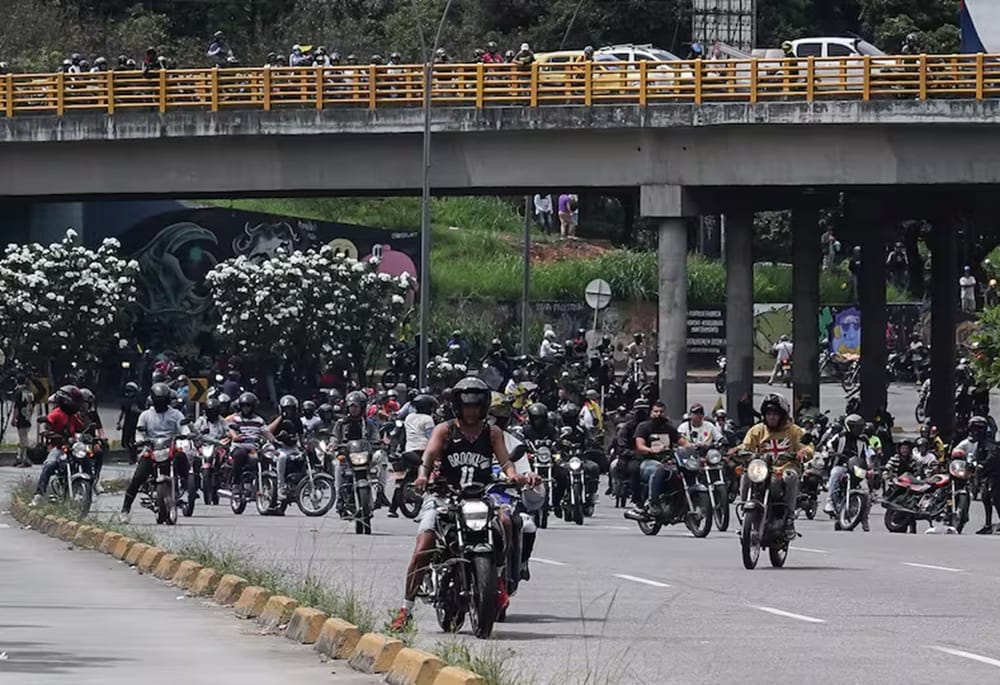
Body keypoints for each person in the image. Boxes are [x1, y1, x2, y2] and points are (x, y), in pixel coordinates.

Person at [390, 377, 537, 631]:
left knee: (505, 521)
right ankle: (406, 609)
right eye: (467, 406)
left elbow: (506, 464)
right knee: (424, 543)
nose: (471, 411)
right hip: (445, 494)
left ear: (484, 406)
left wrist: (516, 477)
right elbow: (428, 456)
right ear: (458, 406)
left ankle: (499, 580)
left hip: (482, 495)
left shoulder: (492, 433)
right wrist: (423, 476)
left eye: (476, 405)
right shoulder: (445, 430)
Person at [738, 394, 811, 536]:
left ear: (782, 415)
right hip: (762, 469)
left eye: (775, 414)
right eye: (768, 413)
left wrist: (803, 453)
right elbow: (745, 446)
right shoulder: (757, 430)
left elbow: (807, 446)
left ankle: (789, 518)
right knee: (746, 475)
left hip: (785, 469)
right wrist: (737, 451)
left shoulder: (794, 431)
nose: (771, 417)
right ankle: (744, 510)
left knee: (791, 477)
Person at [117, 383, 190, 521]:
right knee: (138, 477)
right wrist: (140, 441)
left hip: (170, 448)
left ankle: (184, 485)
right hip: (152, 449)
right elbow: (139, 431)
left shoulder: (176, 414)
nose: (160, 404)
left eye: (163, 401)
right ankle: (125, 509)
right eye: (158, 401)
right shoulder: (145, 415)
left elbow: (183, 427)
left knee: (181, 456)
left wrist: (185, 434)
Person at [630, 401, 688, 517]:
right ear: (651, 413)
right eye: (656, 411)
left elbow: (682, 441)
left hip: (668, 461)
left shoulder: (669, 428)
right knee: (659, 469)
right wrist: (651, 450)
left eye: (661, 412)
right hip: (647, 461)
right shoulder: (643, 427)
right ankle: (653, 502)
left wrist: (692, 446)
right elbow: (639, 445)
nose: (658, 414)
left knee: (683, 470)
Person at [30, 386, 86, 506]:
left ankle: (92, 485)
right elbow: (44, 427)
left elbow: (81, 428)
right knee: (49, 464)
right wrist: (53, 435)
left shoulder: (73, 416)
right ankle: (39, 495)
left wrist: (87, 435)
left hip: (71, 448)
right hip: (58, 447)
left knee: (86, 458)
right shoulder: (57, 413)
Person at [331, 391, 381, 517]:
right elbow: (334, 438)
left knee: (381, 460)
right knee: (338, 467)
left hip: (364, 456)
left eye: (356, 406)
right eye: (351, 406)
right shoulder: (341, 423)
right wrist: (333, 444)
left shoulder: (369, 423)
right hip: (346, 456)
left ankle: (379, 493)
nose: (353, 409)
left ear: (362, 407)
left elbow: (376, 437)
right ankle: (339, 499)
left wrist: (380, 443)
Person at [388, 393, 437, 518]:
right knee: (433, 478)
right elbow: (431, 437)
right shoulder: (428, 419)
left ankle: (392, 509)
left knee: (400, 480)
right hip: (423, 451)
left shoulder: (409, 417)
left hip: (408, 451)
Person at [822, 414, 873, 527]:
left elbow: (867, 456)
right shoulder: (840, 436)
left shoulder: (863, 441)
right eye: (855, 427)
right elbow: (829, 444)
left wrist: (869, 468)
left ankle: (864, 517)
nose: (858, 429)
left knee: (866, 490)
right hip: (842, 465)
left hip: (856, 468)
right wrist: (830, 451)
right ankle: (829, 502)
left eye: (860, 427)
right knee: (835, 473)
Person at [228, 392, 269, 499]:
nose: (246, 408)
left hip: (254, 449)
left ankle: (263, 485)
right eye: (244, 406)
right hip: (239, 447)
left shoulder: (259, 420)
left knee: (266, 457)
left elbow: (266, 432)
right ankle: (236, 484)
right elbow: (230, 429)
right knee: (240, 454)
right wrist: (235, 436)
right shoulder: (236, 419)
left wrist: (275, 441)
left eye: (248, 406)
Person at [11, 373, 34, 467]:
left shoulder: (18, 392)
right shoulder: (30, 393)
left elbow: (16, 407)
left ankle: (24, 459)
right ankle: (21, 457)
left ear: (17, 381)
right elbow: (32, 407)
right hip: (27, 417)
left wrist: (13, 418)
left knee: (23, 439)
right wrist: (29, 416)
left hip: (21, 417)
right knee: (23, 438)